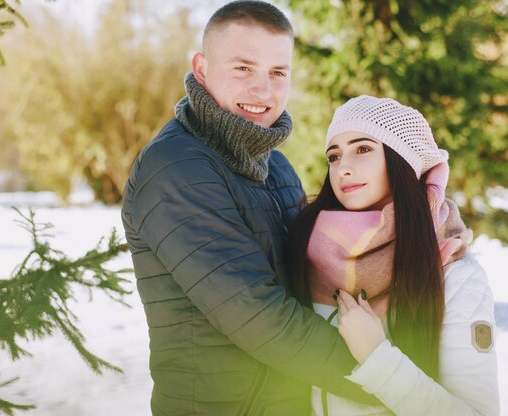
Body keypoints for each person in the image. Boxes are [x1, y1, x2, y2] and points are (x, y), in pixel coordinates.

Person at [121, 2, 378, 414]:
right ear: (202, 69)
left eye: (278, 72)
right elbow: (258, 316)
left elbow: (334, 249)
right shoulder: (176, 168)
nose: (264, 90)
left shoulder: (275, 164)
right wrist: (389, 378)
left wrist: (428, 218)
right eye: (243, 68)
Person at [286, 95, 500, 415]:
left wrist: (377, 357)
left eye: (363, 149)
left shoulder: (455, 276)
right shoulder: (306, 250)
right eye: (334, 156)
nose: (343, 167)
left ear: (403, 161)